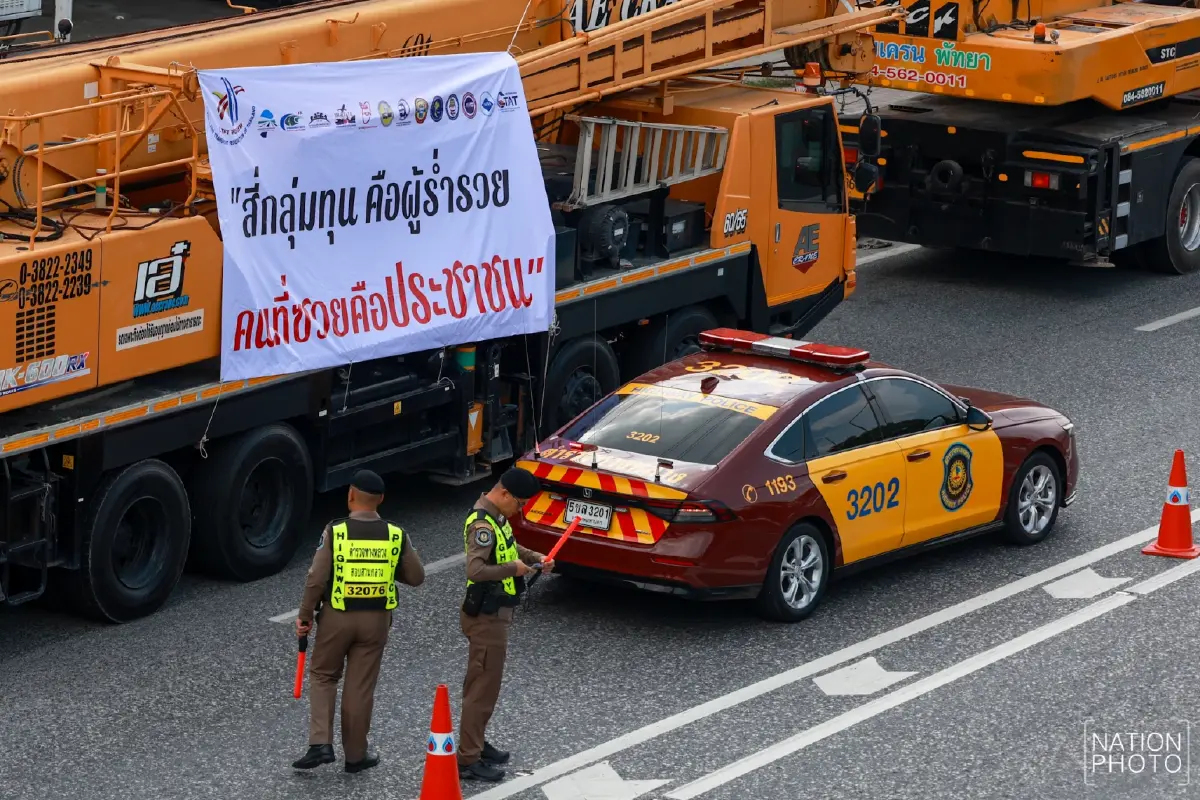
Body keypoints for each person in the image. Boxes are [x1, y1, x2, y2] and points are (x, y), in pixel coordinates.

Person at [291, 469, 425, 773]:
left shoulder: (336, 531)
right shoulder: (395, 534)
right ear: (381, 500)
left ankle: (320, 744)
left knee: (324, 675)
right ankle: (355, 755)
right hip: (376, 622)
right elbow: (417, 577)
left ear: (351, 494)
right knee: (360, 687)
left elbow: (316, 578)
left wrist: (304, 616)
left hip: (337, 616)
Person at [457, 466, 554, 782]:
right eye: (520, 503)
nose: (520, 509)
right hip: (486, 614)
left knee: (486, 685)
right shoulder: (482, 524)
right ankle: (468, 758)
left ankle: (477, 742)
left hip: (496, 613)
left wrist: (533, 556)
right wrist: (512, 569)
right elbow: (476, 570)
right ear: (504, 494)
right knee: (481, 688)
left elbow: (511, 549)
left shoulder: (497, 519)